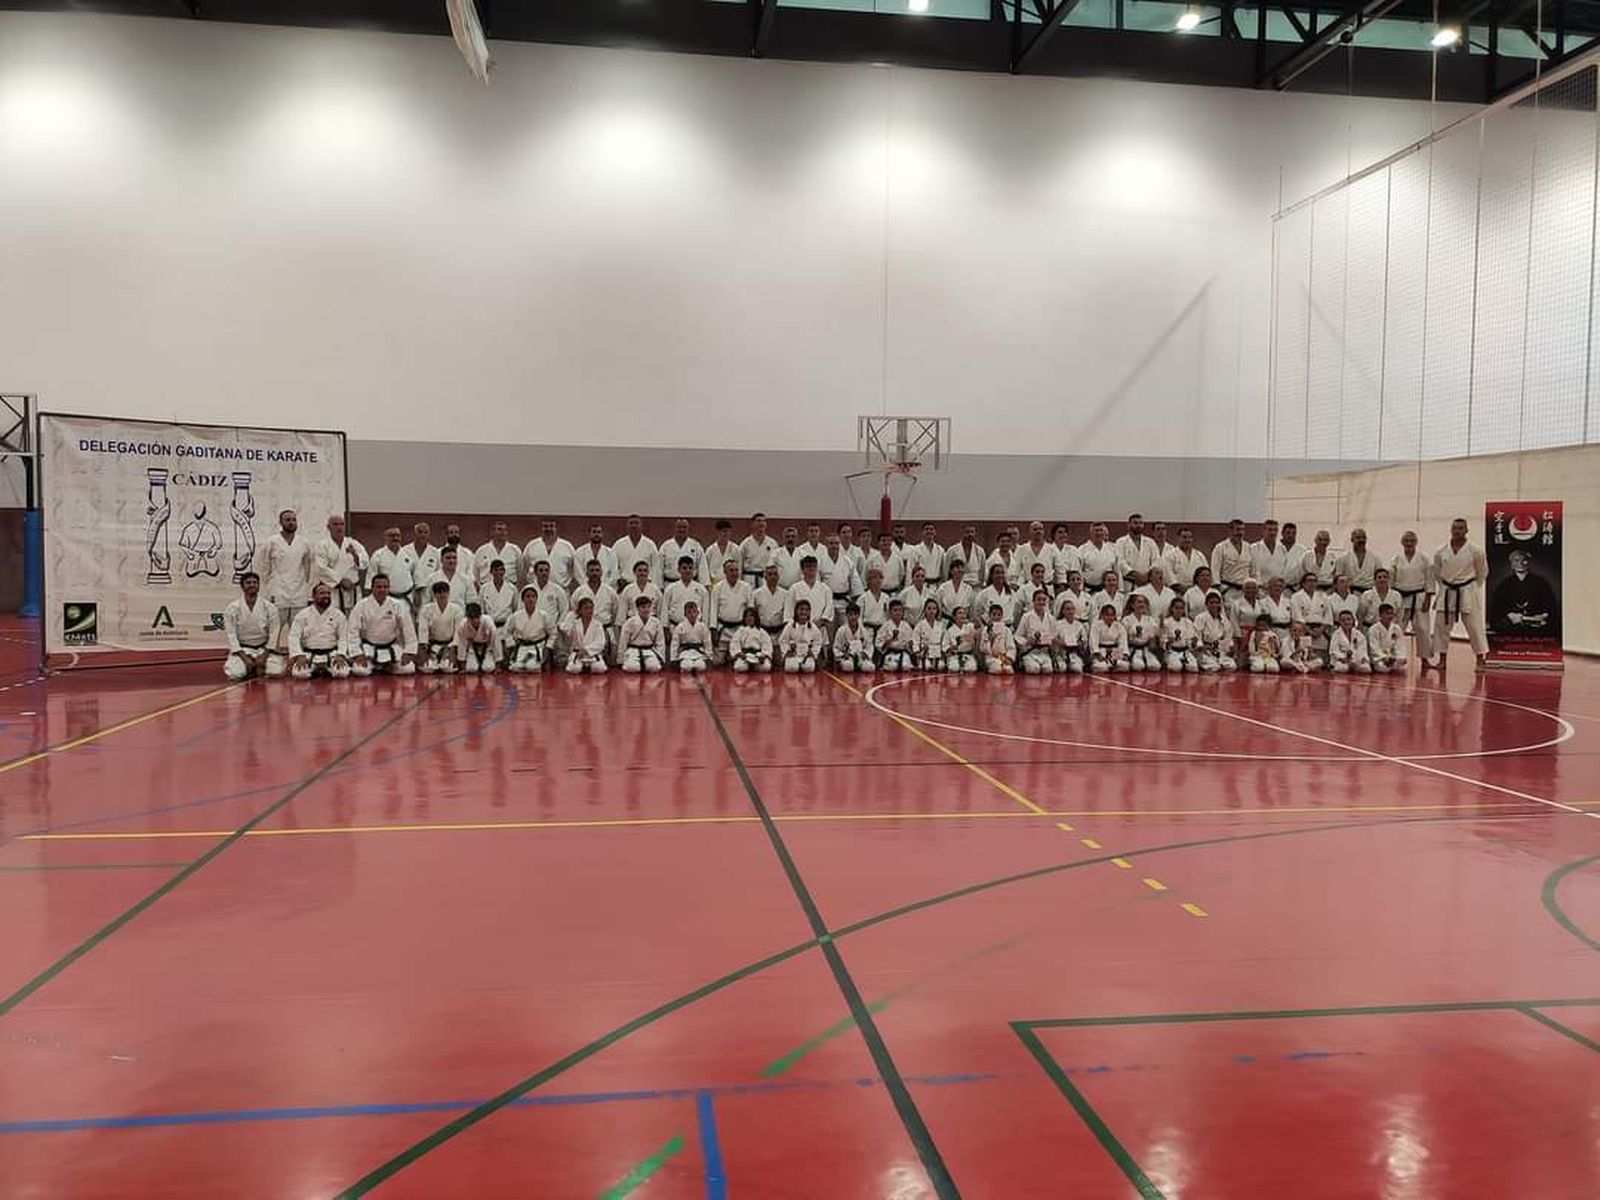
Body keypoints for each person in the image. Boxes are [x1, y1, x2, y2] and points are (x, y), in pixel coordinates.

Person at [1431, 517, 1489, 670]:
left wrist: (1473, 587)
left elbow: (1482, 572)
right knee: (1441, 628)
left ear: (1466, 530)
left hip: (1468, 590)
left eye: (1461, 528)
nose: (1457, 531)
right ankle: (1442, 659)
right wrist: (1445, 586)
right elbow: (1437, 573)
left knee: (1474, 626)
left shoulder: (1475, 550)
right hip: (1447, 590)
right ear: (1451, 530)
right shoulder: (1440, 551)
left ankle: (1480, 659)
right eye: (1455, 528)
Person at [256, 509, 314, 645]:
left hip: (299, 591)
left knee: (299, 628)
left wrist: (306, 587)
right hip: (277, 590)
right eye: (287, 520)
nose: (291, 523)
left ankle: (297, 654)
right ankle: (272, 653)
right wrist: (268, 586)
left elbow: (308, 568)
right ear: (280, 523)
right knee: (274, 626)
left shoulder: (304, 543)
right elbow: (264, 567)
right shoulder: (271, 542)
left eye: (294, 520)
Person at [347, 573, 417, 676]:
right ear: (372, 588)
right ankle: (376, 665)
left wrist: (408, 652)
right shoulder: (361, 605)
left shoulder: (398, 605)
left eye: (385, 587)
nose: (382, 590)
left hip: (391, 647)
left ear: (389, 588)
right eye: (379, 587)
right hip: (369, 648)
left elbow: (408, 629)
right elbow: (352, 630)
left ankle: (388, 666)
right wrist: (357, 654)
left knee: (408, 669)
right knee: (360, 671)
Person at [223, 571, 282, 680]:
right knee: (235, 674)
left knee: (276, 672)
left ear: (259, 586)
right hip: (243, 649)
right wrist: (245, 658)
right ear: (242, 586)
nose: (252, 585)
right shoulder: (232, 608)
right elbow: (231, 635)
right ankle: (249, 665)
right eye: (248, 582)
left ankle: (256, 666)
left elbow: (274, 633)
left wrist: (263, 656)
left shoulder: (269, 607)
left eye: (255, 582)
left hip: (263, 649)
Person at [1489, 548, 1559, 639]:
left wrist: (1543, 615)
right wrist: (1511, 616)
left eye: (1524, 560)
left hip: (1536, 623)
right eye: (1516, 560)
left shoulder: (1541, 582)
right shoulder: (1504, 585)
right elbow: (1497, 609)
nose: (1520, 563)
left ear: (1528, 563)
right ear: (1512, 565)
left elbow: (1550, 606)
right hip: (1512, 624)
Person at [1391, 530, 1436, 670]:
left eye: (1412, 541)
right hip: (1401, 597)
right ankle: (1392, 656)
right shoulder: (1396, 559)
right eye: (1407, 541)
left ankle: (1425, 659)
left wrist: (1428, 598)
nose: (1409, 543)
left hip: (1419, 597)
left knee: (1423, 629)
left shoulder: (1424, 558)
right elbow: (1391, 582)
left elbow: (1430, 579)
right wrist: (1392, 600)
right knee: (1398, 629)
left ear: (1416, 542)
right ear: (1402, 542)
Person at [288, 582, 350, 679]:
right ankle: (317, 669)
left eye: (328, 593)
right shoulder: (303, 615)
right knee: (299, 674)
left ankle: (324, 669)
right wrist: (299, 655)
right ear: (313, 596)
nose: (326, 596)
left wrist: (341, 654)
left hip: (331, 654)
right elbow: (294, 636)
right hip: (308, 654)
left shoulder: (338, 615)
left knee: (342, 673)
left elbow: (343, 637)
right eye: (322, 593)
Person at [313, 514, 368, 613]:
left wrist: (355, 555)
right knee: (334, 620)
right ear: (328, 527)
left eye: (341, 524)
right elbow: (321, 568)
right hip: (333, 592)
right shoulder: (322, 546)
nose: (339, 527)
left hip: (353, 590)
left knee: (354, 621)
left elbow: (365, 562)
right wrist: (340, 580)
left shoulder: (353, 543)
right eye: (335, 524)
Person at [572, 560, 621, 660]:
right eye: (592, 570)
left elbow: (616, 613)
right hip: (586, 631)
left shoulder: (610, 591)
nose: (594, 573)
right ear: (586, 573)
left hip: (605, 628)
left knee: (604, 665)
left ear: (601, 572)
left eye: (597, 570)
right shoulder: (579, 591)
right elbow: (574, 611)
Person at [711, 558, 754, 665]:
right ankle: (727, 655)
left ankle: (731, 656)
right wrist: (713, 629)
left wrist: (749, 630)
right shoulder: (717, 588)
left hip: (740, 629)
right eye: (731, 570)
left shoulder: (746, 587)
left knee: (740, 661)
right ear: (724, 572)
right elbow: (713, 610)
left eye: (736, 570)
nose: (734, 573)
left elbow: (751, 611)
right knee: (717, 662)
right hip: (723, 629)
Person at [417, 580, 464, 673]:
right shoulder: (426, 609)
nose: (442, 595)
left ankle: (443, 660)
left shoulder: (457, 609)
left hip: (449, 645)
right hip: (432, 645)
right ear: (434, 595)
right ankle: (434, 659)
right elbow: (423, 630)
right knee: (428, 669)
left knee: (448, 669)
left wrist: (454, 650)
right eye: (439, 592)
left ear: (449, 593)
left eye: (444, 592)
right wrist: (423, 651)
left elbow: (458, 632)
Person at [522, 519, 577, 591]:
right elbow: (524, 567)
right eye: (545, 526)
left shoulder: (567, 546)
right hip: (536, 590)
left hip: (561, 588)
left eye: (551, 526)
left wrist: (568, 582)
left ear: (556, 528)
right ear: (541, 528)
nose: (548, 529)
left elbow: (574, 568)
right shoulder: (532, 545)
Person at [507, 585, 553, 673]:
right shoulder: (516, 616)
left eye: (533, 596)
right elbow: (507, 632)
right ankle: (520, 662)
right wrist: (511, 645)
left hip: (537, 647)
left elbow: (552, 634)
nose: (530, 599)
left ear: (536, 598)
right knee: (516, 668)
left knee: (532, 667)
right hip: (521, 647)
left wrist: (547, 648)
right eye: (527, 596)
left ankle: (533, 663)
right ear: (523, 600)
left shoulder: (543, 615)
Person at [368, 527, 415, 611]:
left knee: (406, 623)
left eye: (398, 535)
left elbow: (414, 576)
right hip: (386, 598)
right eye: (392, 535)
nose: (395, 538)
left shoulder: (408, 553)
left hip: (407, 597)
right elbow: (371, 580)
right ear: (385, 537)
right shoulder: (378, 555)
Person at [787, 557, 834, 638]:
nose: (811, 569)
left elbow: (829, 609)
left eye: (814, 566)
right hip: (799, 629)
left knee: (819, 649)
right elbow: (789, 610)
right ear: (802, 569)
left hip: (820, 627)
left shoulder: (825, 589)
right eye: (808, 566)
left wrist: (820, 622)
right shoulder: (794, 588)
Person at [561, 596, 609, 675]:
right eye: (586, 608)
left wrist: (586, 650)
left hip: (592, 654)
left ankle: (586, 667)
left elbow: (601, 643)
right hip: (577, 653)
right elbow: (565, 629)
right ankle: (584, 667)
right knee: (573, 669)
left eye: (591, 608)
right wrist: (572, 614)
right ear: (580, 611)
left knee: (600, 668)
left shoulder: (597, 624)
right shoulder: (574, 623)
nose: (589, 611)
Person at [619, 595, 667, 673]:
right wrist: (620, 660)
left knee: (655, 667)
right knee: (632, 668)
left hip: (649, 650)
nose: (646, 610)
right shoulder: (630, 622)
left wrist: (661, 659)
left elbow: (660, 642)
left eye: (648, 607)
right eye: (643, 607)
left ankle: (645, 665)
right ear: (637, 608)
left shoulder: (656, 622)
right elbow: (623, 642)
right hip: (633, 650)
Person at [400, 523, 442, 608]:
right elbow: (402, 573)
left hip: (429, 591)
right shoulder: (404, 551)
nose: (423, 535)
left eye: (425, 532)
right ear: (415, 533)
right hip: (409, 592)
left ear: (429, 534)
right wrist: (415, 589)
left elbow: (438, 573)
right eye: (420, 532)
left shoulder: (435, 552)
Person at [479, 559, 519, 647]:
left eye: (501, 570)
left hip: (507, 628)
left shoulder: (512, 588)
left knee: (507, 656)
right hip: (490, 627)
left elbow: (516, 610)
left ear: (504, 571)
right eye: (496, 570)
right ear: (491, 572)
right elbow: (482, 611)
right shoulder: (484, 588)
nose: (498, 572)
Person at [664, 556, 712, 629]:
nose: (688, 570)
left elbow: (705, 614)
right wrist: (665, 627)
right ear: (678, 570)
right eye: (684, 568)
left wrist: (704, 629)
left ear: (694, 570)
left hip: (696, 628)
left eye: (690, 568)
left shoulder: (701, 589)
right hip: (674, 627)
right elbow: (664, 610)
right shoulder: (670, 588)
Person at [820, 534, 861, 621]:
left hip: (844, 602)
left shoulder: (847, 561)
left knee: (844, 630)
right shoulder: (820, 562)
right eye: (831, 543)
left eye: (836, 543)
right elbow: (817, 584)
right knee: (828, 631)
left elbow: (855, 582)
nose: (834, 546)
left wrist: (854, 600)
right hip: (827, 602)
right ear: (826, 545)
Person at [1016, 589, 1057, 674]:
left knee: (1047, 670)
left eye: (1043, 600)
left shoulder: (1051, 618)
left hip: (1044, 653)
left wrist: (1052, 642)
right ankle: (1024, 662)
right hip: (1030, 652)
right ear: (1033, 601)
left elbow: (1054, 636)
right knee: (1034, 669)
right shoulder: (1026, 616)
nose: (1041, 602)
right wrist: (1027, 641)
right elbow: (1018, 636)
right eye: (1038, 599)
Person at [1195, 592, 1238, 673]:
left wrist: (1230, 647)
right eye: (1211, 603)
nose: (1214, 605)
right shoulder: (1200, 618)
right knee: (1214, 667)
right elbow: (1197, 635)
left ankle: (1219, 663)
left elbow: (1228, 636)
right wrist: (1201, 646)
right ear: (1206, 604)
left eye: (1217, 603)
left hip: (1219, 650)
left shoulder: (1224, 620)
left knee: (1232, 666)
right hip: (1205, 650)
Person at [618, 560, 663, 636]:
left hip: (651, 625)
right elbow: (622, 614)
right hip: (632, 625)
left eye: (645, 570)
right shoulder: (628, 589)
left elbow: (660, 611)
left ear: (648, 573)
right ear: (634, 572)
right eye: (639, 570)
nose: (642, 573)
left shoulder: (655, 589)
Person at [612, 515, 659, 588]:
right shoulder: (618, 545)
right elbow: (613, 566)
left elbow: (656, 566)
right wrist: (618, 579)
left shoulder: (650, 544)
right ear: (627, 526)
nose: (634, 525)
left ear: (641, 526)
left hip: (645, 584)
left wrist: (651, 581)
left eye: (636, 523)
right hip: (624, 585)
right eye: (631, 523)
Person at [779, 598, 824, 673]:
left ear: (809, 612)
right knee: (792, 668)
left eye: (806, 610)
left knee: (809, 668)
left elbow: (818, 642)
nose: (804, 612)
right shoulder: (790, 626)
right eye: (801, 609)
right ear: (796, 611)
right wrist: (787, 651)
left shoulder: (813, 627)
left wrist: (813, 653)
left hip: (807, 656)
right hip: (793, 655)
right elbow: (783, 641)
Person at [1289, 572, 1332, 650]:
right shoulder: (1296, 597)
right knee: (1304, 653)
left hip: (1320, 631)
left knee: (1321, 655)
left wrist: (1320, 630)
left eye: (1314, 581)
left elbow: (1328, 615)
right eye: (1309, 580)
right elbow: (1297, 616)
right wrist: (1309, 631)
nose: (1312, 583)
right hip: (1303, 631)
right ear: (1303, 583)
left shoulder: (1323, 596)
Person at [454, 601, 500, 674]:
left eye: (477, 617)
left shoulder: (488, 622)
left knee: (488, 668)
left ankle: (488, 661)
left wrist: (498, 665)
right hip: (472, 648)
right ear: (467, 617)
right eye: (472, 618)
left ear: (480, 615)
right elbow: (462, 645)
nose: (475, 620)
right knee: (471, 669)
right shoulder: (463, 626)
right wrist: (462, 667)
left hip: (487, 648)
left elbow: (496, 642)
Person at [473, 521, 522, 589]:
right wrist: (481, 589)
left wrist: (515, 589)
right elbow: (476, 573)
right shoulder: (481, 550)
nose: (502, 532)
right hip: (486, 588)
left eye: (505, 530)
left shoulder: (515, 550)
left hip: (509, 587)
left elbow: (520, 572)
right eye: (499, 529)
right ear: (492, 532)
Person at [1115, 513, 1160, 587]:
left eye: (1141, 523)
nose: (1138, 525)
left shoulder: (1150, 542)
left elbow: (1156, 560)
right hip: (1128, 583)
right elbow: (1120, 562)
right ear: (1128, 525)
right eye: (1135, 523)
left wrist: (1147, 575)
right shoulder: (1121, 542)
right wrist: (1135, 574)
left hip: (1147, 581)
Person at [659, 518, 706, 587]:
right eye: (679, 527)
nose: (682, 530)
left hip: (691, 585)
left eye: (684, 527)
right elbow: (659, 568)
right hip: (670, 584)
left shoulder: (696, 545)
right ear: (675, 528)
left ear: (688, 529)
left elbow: (702, 567)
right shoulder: (666, 546)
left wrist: (704, 584)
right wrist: (659, 586)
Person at [1210, 518, 1251, 595]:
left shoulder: (1248, 547)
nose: (1241, 533)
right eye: (1238, 529)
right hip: (1227, 589)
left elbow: (1253, 570)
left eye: (1242, 530)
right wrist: (1217, 588)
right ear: (1230, 530)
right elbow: (1215, 570)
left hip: (1245, 590)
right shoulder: (1220, 547)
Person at [670, 600, 713, 673]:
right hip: (685, 653)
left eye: (694, 612)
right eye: (689, 612)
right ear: (685, 614)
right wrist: (673, 659)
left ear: (698, 613)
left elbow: (707, 642)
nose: (692, 614)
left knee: (700, 666)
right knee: (686, 667)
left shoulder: (702, 626)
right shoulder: (680, 627)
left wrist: (709, 657)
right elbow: (675, 644)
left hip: (699, 653)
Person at [574, 523, 620, 591]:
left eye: (599, 532)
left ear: (602, 534)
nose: (596, 534)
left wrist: (602, 587)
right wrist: (588, 587)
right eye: (594, 532)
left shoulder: (610, 553)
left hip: (606, 589)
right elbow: (578, 574)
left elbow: (614, 574)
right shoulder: (580, 552)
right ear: (589, 534)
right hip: (585, 589)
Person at [728, 607, 774, 673]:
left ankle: (754, 667)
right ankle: (748, 666)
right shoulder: (740, 631)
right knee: (739, 668)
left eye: (751, 616)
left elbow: (767, 645)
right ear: (744, 619)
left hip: (758, 656)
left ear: (755, 618)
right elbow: (735, 644)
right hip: (744, 655)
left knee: (766, 667)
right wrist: (739, 654)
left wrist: (764, 655)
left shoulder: (761, 631)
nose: (749, 618)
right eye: (746, 616)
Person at [752, 563, 789, 643]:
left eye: (775, 574)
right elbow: (753, 615)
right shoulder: (756, 594)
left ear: (778, 577)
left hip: (780, 632)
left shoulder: (785, 594)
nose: (773, 577)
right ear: (765, 577)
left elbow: (787, 616)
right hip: (761, 632)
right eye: (770, 574)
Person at [739, 513, 779, 587]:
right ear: (752, 524)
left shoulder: (772, 543)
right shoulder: (745, 543)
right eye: (758, 521)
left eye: (763, 521)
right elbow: (739, 563)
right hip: (749, 578)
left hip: (766, 578)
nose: (761, 523)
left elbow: (776, 563)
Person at [1122, 594, 1160, 672]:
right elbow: (1123, 639)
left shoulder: (1150, 619)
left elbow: (1153, 638)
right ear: (1132, 605)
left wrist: (1152, 645)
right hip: (1132, 648)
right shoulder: (1126, 620)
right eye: (1139, 602)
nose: (1142, 605)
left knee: (1155, 666)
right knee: (1138, 666)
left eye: (1143, 603)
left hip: (1146, 649)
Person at [833, 604, 876, 673]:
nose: (853, 617)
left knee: (870, 667)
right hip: (847, 658)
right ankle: (849, 665)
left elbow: (869, 646)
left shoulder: (863, 630)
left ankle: (859, 665)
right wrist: (843, 655)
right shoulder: (841, 630)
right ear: (846, 616)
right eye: (851, 615)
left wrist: (865, 653)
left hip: (861, 657)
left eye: (855, 615)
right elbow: (836, 647)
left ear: (858, 615)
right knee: (848, 666)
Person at [978, 562, 1023, 628]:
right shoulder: (984, 593)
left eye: (1002, 573)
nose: (1000, 575)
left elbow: (1016, 612)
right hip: (990, 628)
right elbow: (978, 613)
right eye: (997, 573)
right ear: (991, 575)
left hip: (1008, 628)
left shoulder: (1011, 593)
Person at [1133, 566, 1177, 632]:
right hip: (1146, 626)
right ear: (1150, 577)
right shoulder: (1140, 591)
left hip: (1167, 627)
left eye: (1161, 573)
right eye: (1157, 573)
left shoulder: (1170, 593)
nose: (1160, 575)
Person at [877, 599, 916, 672]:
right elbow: (879, 643)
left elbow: (911, 640)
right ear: (890, 613)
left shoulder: (906, 625)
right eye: (895, 610)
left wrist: (909, 645)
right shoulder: (885, 626)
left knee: (906, 666)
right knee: (892, 666)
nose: (898, 612)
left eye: (900, 610)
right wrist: (889, 641)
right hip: (890, 652)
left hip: (903, 652)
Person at [1163, 526, 1208, 591]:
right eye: (1184, 537)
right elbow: (1169, 574)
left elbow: (1205, 573)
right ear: (1178, 538)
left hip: (1197, 590)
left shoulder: (1199, 555)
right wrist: (1181, 588)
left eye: (1190, 537)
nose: (1187, 540)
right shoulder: (1170, 555)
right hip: (1176, 591)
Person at [1161, 597, 1199, 673]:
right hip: (1172, 651)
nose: (1179, 610)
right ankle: (1174, 662)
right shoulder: (1167, 622)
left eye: (1181, 608)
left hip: (1185, 651)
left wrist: (1193, 642)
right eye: (1177, 608)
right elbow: (1163, 640)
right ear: (1172, 609)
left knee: (1193, 668)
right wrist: (1168, 642)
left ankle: (1184, 662)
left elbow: (1191, 640)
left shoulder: (1187, 622)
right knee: (1176, 668)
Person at [1089, 602, 1129, 673]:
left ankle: (1111, 666)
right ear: (1102, 615)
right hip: (1101, 652)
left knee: (1125, 666)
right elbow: (1093, 642)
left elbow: (1123, 642)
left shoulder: (1119, 626)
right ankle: (1108, 666)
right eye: (1107, 615)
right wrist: (1097, 653)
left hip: (1115, 652)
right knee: (1102, 667)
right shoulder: (1096, 626)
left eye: (1112, 615)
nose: (1110, 617)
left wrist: (1124, 654)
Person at [1329, 610, 1372, 674]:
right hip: (1342, 661)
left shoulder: (1359, 634)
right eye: (1343, 620)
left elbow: (1362, 650)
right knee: (1342, 668)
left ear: (1353, 620)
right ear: (1340, 622)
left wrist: (1355, 661)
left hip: (1356, 661)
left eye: (1349, 619)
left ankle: (1353, 668)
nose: (1346, 622)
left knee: (1367, 668)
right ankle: (1350, 669)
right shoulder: (1336, 634)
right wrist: (1344, 659)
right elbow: (1334, 651)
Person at [1367, 604, 1408, 674]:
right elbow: (1374, 647)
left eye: (1392, 613)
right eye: (1387, 613)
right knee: (1383, 668)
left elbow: (1400, 645)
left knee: (1402, 669)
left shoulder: (1396, 628)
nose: (1390, 616)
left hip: (1393, 657)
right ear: (1380, 615)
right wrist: (1385, 658)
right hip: (1379, 658)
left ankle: (1393, 664)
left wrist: (1400, 657)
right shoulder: (1373, 629)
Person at [1248, 519, 1289, 587]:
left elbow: (1283, 571)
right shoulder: (1254, 548)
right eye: (1270, 530)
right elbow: (1251, 571)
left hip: (1277, 589)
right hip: (1260, 589)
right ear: (1263, 531)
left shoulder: (1282, 549)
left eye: (1275, 530)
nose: (1273, 533)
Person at [1337, 528, 1379, 593]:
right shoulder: (1343, 558)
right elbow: (1338, 578)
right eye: (1358, 537)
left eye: (1363, 537)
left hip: (1370, 592)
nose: (1361, 540)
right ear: (1352, 539)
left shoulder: (1375, 558)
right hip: (1350, 592)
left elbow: (1379, 577)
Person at [1017, 522, 1057, 589]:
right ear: (1030, 532)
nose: (1038, 531)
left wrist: (1061, 584)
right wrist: (1018, 584)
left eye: (1040, 529)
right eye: (1035, 529)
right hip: (1027, 586)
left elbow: (1059, 569)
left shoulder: (1051, 549)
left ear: (1043, 532)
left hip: (1047, 586)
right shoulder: (1022, 549)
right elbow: (1017, 569)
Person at [1078, 523, 1118, 589]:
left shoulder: (1112, 548)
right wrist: (1080, 589)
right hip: (1088, 588)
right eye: (1096, 530)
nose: (1099, 533)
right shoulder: (1082, 549)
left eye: (1101, 530)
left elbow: (1116, 570)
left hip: (1107, 588)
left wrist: (1118, 588)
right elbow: (1079, 571)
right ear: (1091, 533)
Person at [866, 531, 907, 596]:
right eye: (883, 540)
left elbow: (901, 575)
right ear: (878, 543)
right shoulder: (872, 559)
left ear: (891, 543)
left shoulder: (898, 559)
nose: (886, 543)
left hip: (894, 592)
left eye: (888, 540)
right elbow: (868, 577)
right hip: (877, 593)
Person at [942, 607, 980, 673]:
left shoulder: (969, 627)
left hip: (967, 655)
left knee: (971, 668)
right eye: (960, 613)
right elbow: (945, 646)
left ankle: (964, 667)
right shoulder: (949, 630)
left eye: (964, 613)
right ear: (954, 617)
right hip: (954, 656)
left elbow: (976, 633)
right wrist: (952, 648)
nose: (963, 615)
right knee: (954, 668)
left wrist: (976, 625)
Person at [982, 603, 1017, 675]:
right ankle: (991, 668)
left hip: (1004, 657)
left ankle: (1003, 664)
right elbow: (982, 648)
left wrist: (1009, 658)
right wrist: (991, 641)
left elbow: (1011, 646)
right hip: (991, 658)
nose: (996, 617)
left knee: (1009, 670)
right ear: (989, 615)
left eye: (999, 615)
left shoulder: (1006, 630)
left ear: (1002, 616)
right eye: (994, 614)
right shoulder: (986, 629)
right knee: (997, 669)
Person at [703, 520, 739, 587]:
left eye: (729, 531)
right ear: (718, 532)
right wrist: (707, 584)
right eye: (724, 531)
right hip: (714, 583)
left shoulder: (735, 549)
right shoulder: (710, 550)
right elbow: (705, 569)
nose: (727, 534)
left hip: (731, 582)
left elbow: (739, 567)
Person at [913, 599, 946, 671]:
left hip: (937, 654)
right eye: (929, 608)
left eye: (934, 609)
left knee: (941, 666)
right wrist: (917, 652)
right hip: (924, 654)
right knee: (927, 667)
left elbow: (944, 641)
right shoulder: (920, 625)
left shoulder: (941, 625)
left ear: (937, 611)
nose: (932, 611)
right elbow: (915, 640)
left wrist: (943, 652)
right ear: (924, 610)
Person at [1050, 523, 1081, 592]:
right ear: (1054, 535)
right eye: (1060, 532)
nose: (1063, 535)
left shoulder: (1073, 549)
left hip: (1070, 585)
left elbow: (1075, 568)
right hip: (1054, 586)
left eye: (1065, 532)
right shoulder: (1049, 549)